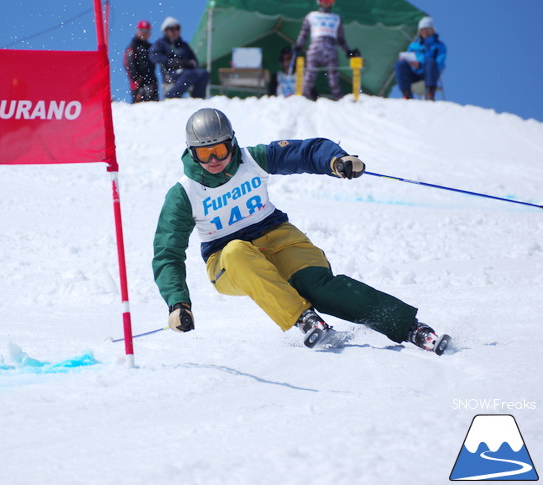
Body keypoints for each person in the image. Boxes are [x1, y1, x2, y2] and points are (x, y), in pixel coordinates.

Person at [152, 108, 451, 355]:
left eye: (219, 149)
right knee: (236, 251)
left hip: (278, 238)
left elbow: (306, 151)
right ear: (192, 153)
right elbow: (168, 253)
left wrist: (336, 161)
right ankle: (302, 318)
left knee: (318, 286)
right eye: (205, 154)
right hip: (226, 261)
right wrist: (178, 303)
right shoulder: (183, 194)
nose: (214, 160)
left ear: (232, 143)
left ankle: (409, 327)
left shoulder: (253, 159)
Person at [294, 0, 360, 101]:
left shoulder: (336, 18)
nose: (325, 2)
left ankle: (339, 100)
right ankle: (302, 100)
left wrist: (349, 52)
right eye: (323, 0)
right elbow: (304, 34)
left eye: (328, 0)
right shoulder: (311, 16)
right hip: (314, 49)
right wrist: (298, 46)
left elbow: (341, 40)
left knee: (333, 78)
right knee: (309, 76)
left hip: (331, 50)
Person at [149, 17, 210, 99]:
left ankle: (198, 99)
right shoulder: (161, 43)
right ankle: (171, 97)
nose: (175, 31)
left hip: (186, 71)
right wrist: (171, 62)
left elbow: (194, 59)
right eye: (172, 29)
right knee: (189, 74)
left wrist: (191, 63)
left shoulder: (184, 45)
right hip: (171, 73)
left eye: (177, 28)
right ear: (166, 30)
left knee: (204, 74)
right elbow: (154, 56)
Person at [395, 16, 446, 101]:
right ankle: (407, 95)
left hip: (429, 74)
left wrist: (420, 65)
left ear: (433, 30)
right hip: (414, 74)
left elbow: (439, 64)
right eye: (422, 30)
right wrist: (406, 60)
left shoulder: (439, 46)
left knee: (430, 62)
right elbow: (409, 58)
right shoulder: (414, 45)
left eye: (427, 30)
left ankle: (430, 93)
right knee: (400, 64)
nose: (425, 32)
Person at [123, 20, 159, 103]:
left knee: (154, 106)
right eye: (142, 31)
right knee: (139, 107)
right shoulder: (132, 47)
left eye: (147, 31)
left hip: (151, 82)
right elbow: (128, 63)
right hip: (138, 84)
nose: (144, 33)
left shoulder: (151, 47)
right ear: (137, 31)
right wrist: (136, 78)